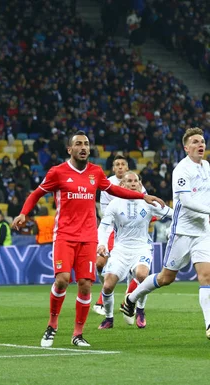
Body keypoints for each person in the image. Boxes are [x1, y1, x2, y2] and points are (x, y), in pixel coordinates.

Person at [11, 130, 165, 347]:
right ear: (69, 149)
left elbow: (116, 190)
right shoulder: (58, 172)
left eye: (86, 144)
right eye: (79, 144)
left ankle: (77, 334)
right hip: (64, 235)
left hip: (88, 237)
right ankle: (52, 325)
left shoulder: (96, 172)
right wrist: (23, 213)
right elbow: (37, 193)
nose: (84, 147)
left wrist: (143, 195)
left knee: (85, 285)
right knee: (63, 279)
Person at [121, 128, 210, 339]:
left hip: (203, 232)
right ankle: (132, 299)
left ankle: (209, 325)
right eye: (196, 142)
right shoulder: (181, 170)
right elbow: (186, 201)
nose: (201, 145)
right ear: (186, 147)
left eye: (203, 141)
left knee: (206, 276)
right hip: (182, 232)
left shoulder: (206, 167)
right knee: (165, 278)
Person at [96, 172, 172, 330]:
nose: (132, 183)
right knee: (108, 286)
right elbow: (104, 226)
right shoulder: (115, 204)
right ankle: (109, 318)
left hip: (142, 248)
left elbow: (173, 213)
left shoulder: (149, 202)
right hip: (120, 250)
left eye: (135, 181)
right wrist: (102, 243)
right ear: (122, 185)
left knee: (142, 275)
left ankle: (140, 310)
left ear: (140, 184)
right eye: (128, 181)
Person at [94, 155, 147, 315]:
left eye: (123, 164)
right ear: (113, 167)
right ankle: (106, 292)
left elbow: (144, 203)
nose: (120, 167)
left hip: (133, 229)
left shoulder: (134, 181)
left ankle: (122, 297)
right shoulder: (107, 185)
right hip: (111, 227)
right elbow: (104, 212)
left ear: (127, 166)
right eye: (117, 164)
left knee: (137, 269)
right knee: (100, 264)